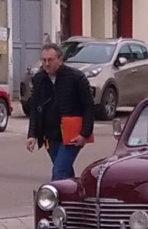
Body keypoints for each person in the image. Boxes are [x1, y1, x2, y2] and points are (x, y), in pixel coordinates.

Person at [26, 40, 96, 181]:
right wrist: (32, 134)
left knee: (59, 172)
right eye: (44, 60)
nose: (46, 64)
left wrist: (84, 134)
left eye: (50, 60)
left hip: (72, 135)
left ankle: (54, 195)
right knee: (65, 173)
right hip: (50, 136)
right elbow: (35, 108)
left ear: (60, 60)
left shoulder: (76, 77)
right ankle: (74, 193)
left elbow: (89, 106)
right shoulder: (39, 79)